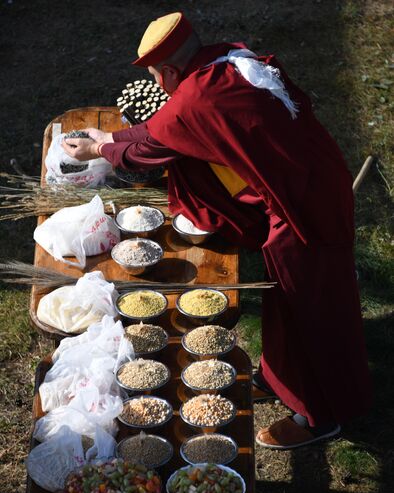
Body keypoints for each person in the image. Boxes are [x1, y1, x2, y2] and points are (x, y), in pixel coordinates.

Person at [62, 11, 372, 449]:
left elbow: (156, 144)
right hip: (309, 177)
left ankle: (320, 415)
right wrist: (112, 136)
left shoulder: (195, 102)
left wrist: (97, 147)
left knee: (311, 307)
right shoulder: (229, 57)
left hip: (304, 208)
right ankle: (281, 377)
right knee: (282, 296)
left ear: (169, 70)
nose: (159, 85)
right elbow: (163, 127)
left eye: (156, 76)